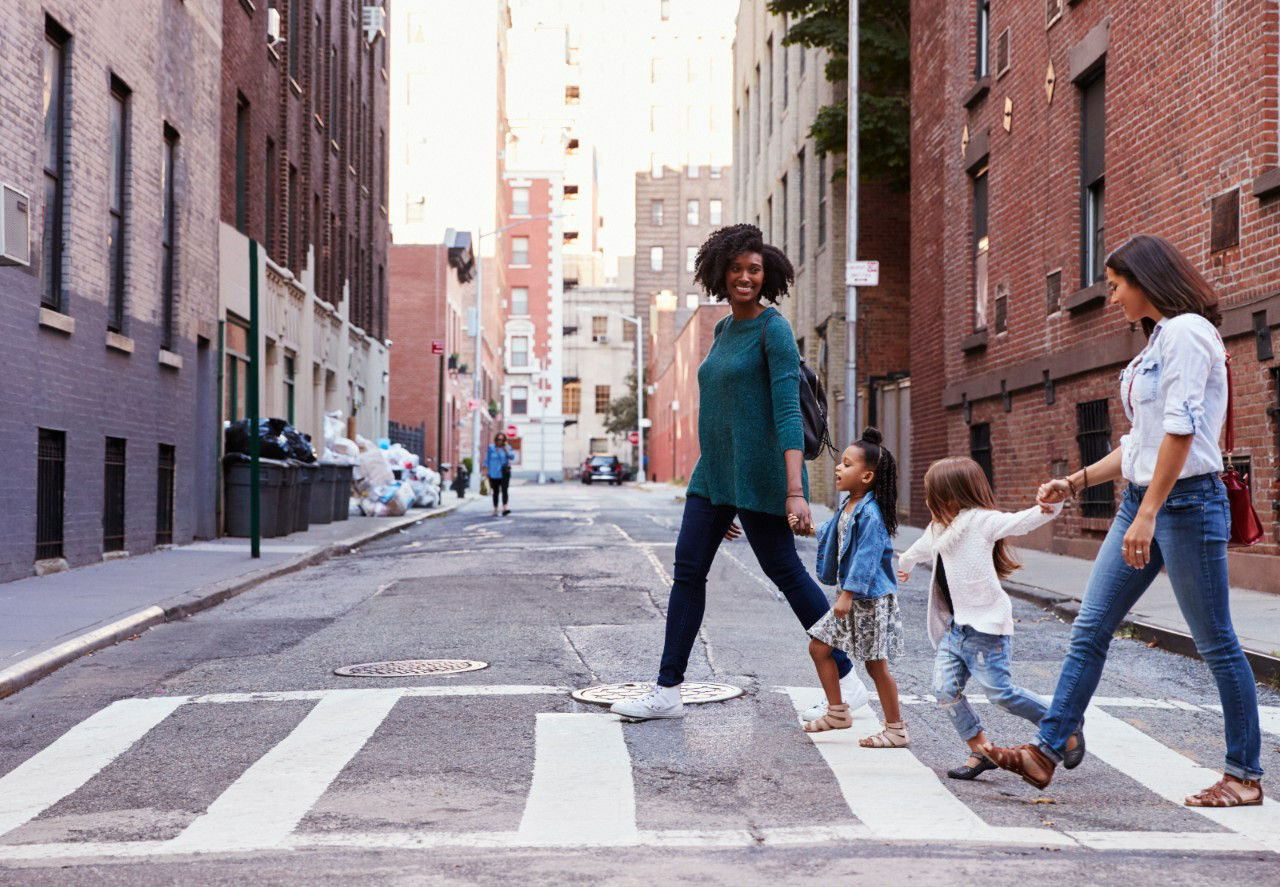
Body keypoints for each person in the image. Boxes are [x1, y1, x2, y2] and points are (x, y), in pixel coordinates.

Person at [984, 234, 1263, 807]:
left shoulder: (1186, 333)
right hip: (1146, 501)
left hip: (1183, 506)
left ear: (1145, 279)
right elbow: (1143, 443)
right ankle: (1045, 750)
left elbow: (1183, 432)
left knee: (1215, 642)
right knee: (1090, 627)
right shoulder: (1157, 341)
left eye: (1114, 285)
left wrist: (1150, 514)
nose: (1111, 297)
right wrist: (1077, 481)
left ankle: (1245, 775)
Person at [611, 223, 870, 720]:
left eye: (754, 269)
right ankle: (667, 691)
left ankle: (846, 677)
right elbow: (722, 411)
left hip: (762, 476)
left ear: (766, 274)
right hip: (714, 478)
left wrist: (795, 491)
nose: (745, 277)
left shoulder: (773, 329)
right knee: (687, 571)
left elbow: (788, 413)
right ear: (720, 273)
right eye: (736, 269)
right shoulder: (724, 329)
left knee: (785, 571)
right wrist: (723, 492)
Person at [897, 457, 1079, 779]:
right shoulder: (938, 528)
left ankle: (1063, 723)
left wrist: (1052, 505)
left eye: (932, 494)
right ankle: (980, 751)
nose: (927, 501)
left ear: (950, 498)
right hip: (956, 630)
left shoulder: (981, 522)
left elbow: (1021, 522)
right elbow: (921, 548)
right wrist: (906, 564)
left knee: (1001, 693)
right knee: (943, 691)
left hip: (986, 631)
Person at [799, 429, 908, 748]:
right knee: (819, 648)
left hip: (869, 601)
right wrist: (806, 529)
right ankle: (837, 712)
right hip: (852, 600)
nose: (838, 467)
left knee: (876, 666)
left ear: (867, 476)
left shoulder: (870, 514)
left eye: (846, 464)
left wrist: (846, 595)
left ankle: (895, 728)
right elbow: (834, 532)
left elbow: (866, 559)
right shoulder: (849, 505)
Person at [485, 432, 515, 516]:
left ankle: (505, 508)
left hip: (504, 473)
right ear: (496, 440)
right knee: (495, 491)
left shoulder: (508, 448)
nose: (500, 441)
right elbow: (487, 460)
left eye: (502, 440)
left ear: (504, 440)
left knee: (505, 490)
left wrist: (506, 448)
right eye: (498, 439)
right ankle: (495, 509)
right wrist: (486, 471)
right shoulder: (491, 448)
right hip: (494, 472)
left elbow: (512, 457)